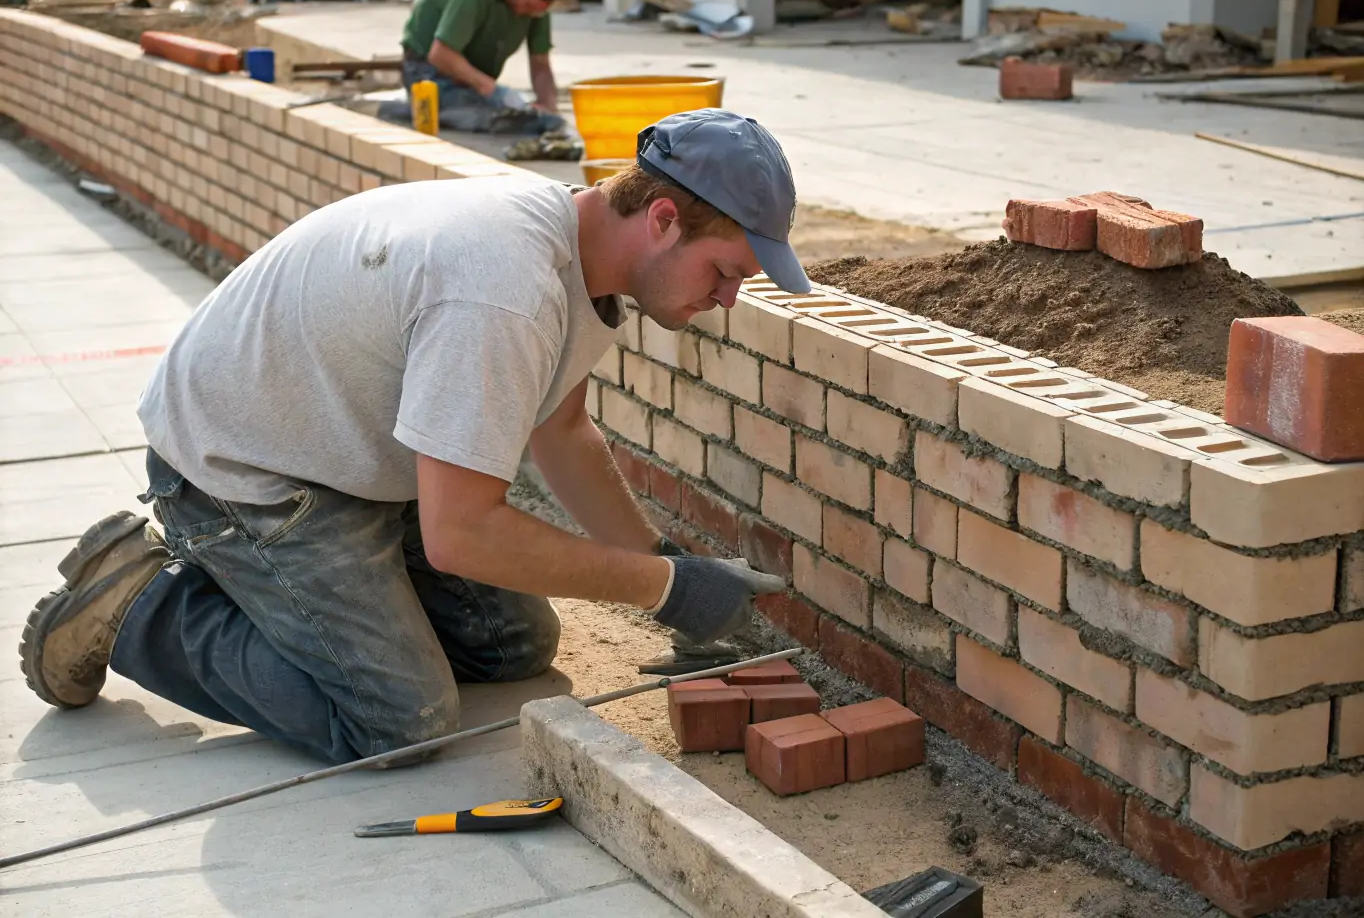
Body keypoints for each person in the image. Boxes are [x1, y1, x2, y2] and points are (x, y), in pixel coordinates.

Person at [19, 108, 813, 766]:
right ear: (664, 219)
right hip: (246, 471)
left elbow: (561, 431)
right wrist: (665, 591)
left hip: (349, 454)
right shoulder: (501, 290)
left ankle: (310, 606)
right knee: (395, 722)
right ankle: (140, 604)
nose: (730, 299)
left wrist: (660, 564)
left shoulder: (588, 258)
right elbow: (461, 534)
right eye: (726, 272)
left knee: (512, 649)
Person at [400, 0, 569, 135]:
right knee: (492, 118)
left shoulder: (536, 10)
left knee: (533, 120)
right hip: (428, 70)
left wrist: (548, 106)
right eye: (527, 5)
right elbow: (440, 54)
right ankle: (401, 109)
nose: (526, 13)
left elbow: (540, 63)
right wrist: (490, 88)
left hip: (472, 75)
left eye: (537, 10)